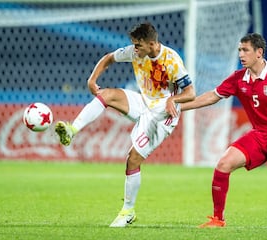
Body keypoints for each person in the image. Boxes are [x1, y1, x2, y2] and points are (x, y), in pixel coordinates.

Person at [55, 22, 195, 227]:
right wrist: (92, 80)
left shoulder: (171, 60)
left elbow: (191, 93)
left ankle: (128, 211)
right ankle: (72, 129)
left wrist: (173, 100)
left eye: (138, 45)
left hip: (163, 114)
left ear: (152, 43)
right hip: (143, 102)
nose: (134, 49)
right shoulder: (135, 52)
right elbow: (108, 58)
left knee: (133, 159)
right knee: (107, 94)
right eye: (133, 44)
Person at [181, 33, 267, 228]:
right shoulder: (238, 78)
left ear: (259, 53)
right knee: (223, 164)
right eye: (239, 50)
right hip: (259, 135)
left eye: (245, 50)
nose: (240, 54)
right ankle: (217, 219)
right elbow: (211, 97)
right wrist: (179, 107)